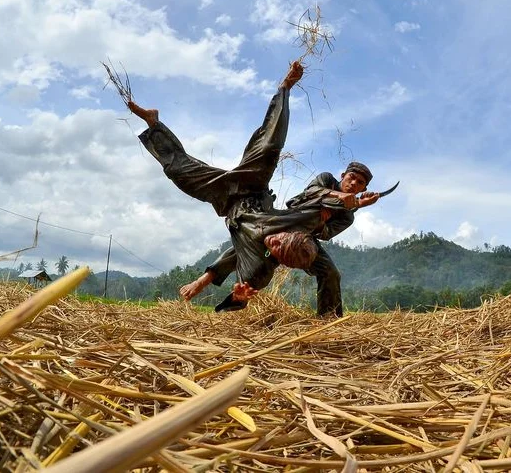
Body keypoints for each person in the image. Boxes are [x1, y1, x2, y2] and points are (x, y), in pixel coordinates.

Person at [128, 61, 342, 312]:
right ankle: (285, 87)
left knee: (181, 173)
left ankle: (154, 124)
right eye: (279, 240)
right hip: (253, 185)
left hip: (227, 200)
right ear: (291, 234)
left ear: (277, 258)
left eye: (273, 248)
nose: (272, 240)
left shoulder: (259, 268)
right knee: (269, 146)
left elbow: (236, 292)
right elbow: (314, 210)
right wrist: (348, 201)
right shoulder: (294, 223)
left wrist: (239, 298)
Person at [181, 162, 380, 316]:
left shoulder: (348, 215)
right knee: (252, 242)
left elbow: (326, 234)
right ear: (343, 175)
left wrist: (322, 221)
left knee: (331, 273)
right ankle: (206, 282)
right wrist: (339, 198)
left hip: (305, 240)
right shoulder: (326, 180)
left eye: (360, 183)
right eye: (351, 177)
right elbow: (312, 192)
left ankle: (328, 318)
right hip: (285, 223)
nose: (353, 183)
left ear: (362, 189)